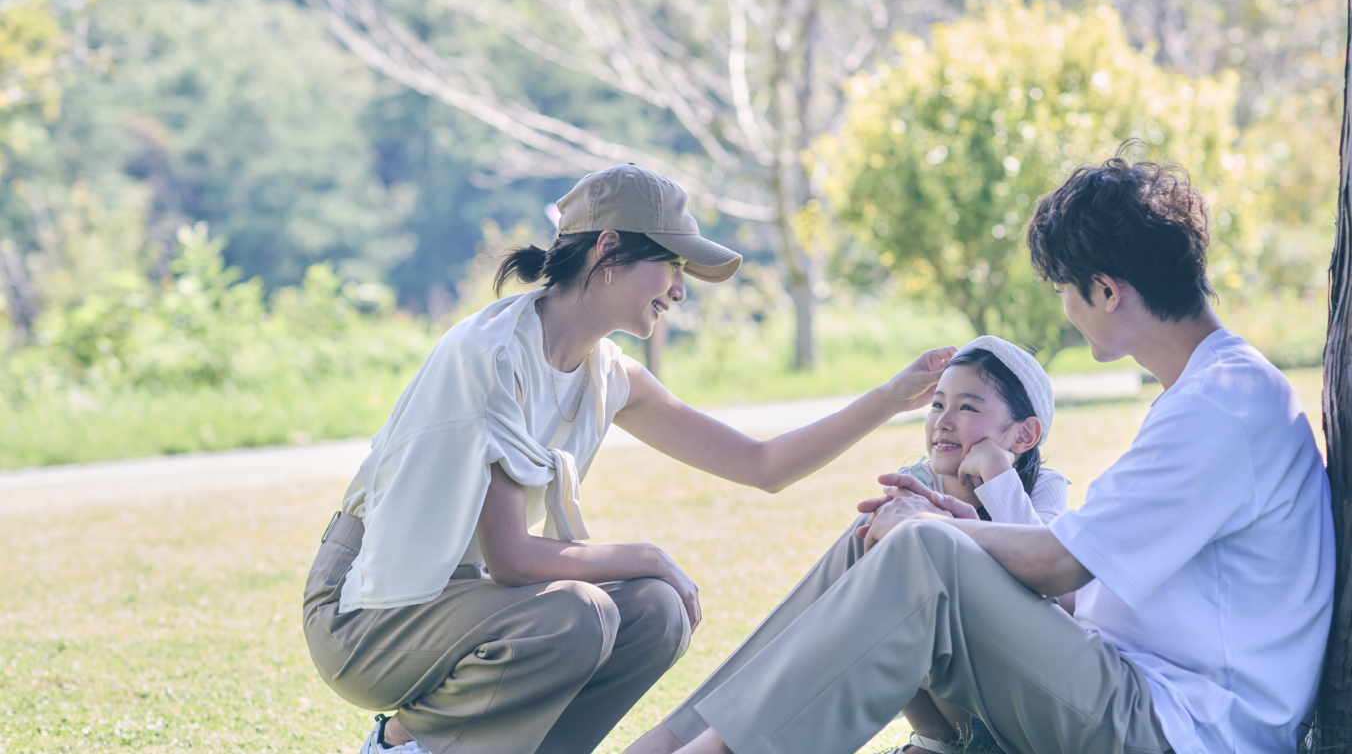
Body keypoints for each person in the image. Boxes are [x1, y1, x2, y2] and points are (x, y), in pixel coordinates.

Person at [635, 151, 1334, 754]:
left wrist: (940, 532)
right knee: (877, 539)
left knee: (921, 549)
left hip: (1178, 727)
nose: (1066, 308)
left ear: (1107, 291)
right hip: (1128, 685)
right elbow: (1088, 581)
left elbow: (1061, 565)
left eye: (1066, 290)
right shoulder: (1209, 392)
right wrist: (962, 528)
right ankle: (669, 743)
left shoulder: (1220, 408)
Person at [300, 163, 956, 754]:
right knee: (583, 614)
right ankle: (400, 744)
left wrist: (891, 397)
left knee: (656, 615)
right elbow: (514, 558)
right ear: (609, 250)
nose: (680, 290)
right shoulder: (495, 357)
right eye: (673, 266)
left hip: (465, 607)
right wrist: (646, 555)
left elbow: (762, 465)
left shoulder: (607, 374)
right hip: (369, 612)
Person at [625, 336, 1068, 754]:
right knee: (874, 535)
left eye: (967, 406)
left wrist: (998, 477)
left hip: (1020, 717)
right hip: (951, 721)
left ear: (1025, 435)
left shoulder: (1043, 489)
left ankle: (685, 740)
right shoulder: (920, 482)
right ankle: (685, 737)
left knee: (913, 549)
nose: (943, 421)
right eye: (937, 404)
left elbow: (1055, 594)